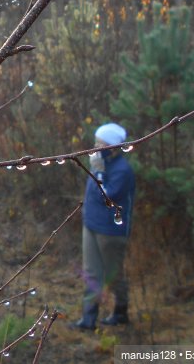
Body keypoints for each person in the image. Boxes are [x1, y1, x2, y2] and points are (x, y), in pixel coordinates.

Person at [72, 122, 135, 330]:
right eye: (96, 142)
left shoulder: (122, 170)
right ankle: (88, 318)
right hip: (90, 225)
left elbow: (107, 197)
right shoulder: (99, 162)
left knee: (113, 274)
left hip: (111, 232)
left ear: (113, 147)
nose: (95, 147)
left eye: (100, 144)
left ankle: (120, 312)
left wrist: (98, 173)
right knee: (91, 273)